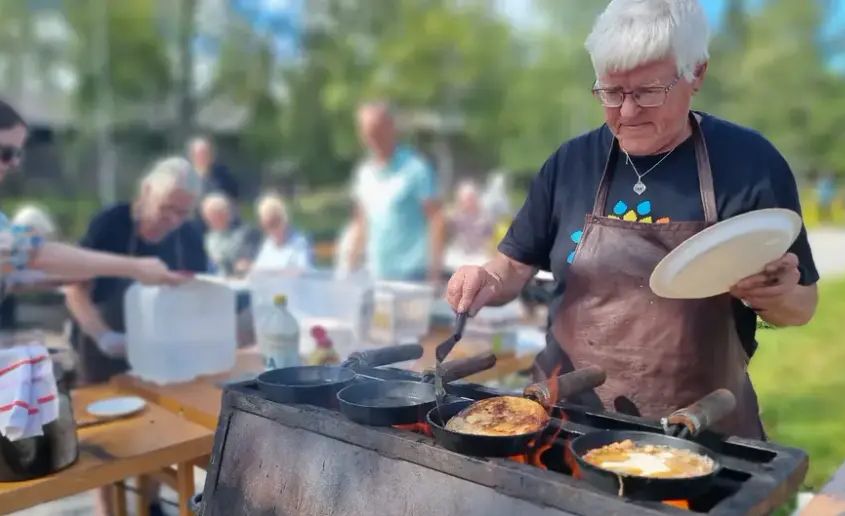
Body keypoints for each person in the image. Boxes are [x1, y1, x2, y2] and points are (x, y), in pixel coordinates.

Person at [446, 0, 819, 446]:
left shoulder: (750, 165)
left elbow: (802, 306)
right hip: (563, 427)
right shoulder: (570, 164)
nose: (625, 112)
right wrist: (484, 278)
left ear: (696, 73)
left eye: (647, 92)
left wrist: (774, 297)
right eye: (610, 92)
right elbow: (512, 267)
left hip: (697, 436)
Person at [0, 92, 186, 516]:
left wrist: (66, 275)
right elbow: (19, 251)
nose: (13, 163)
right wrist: (133, 267)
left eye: (19, 153)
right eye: (5, 151)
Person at [62, 156, 209, 516]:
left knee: (156, 428)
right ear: (146, 193)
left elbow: (200, 293)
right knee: (105, 435)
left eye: (183, 211)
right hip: (101, 341)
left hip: (157, 348)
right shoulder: (110, 223)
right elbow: (76, 291)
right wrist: (103, 334)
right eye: (167, 208)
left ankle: (148, 508)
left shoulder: (188, 236)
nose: (173, 219)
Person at [348, 101, 444, 282]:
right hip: (376, 274)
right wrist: (350, 266)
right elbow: (360, 222)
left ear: (391, 128)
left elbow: (436, 219)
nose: (372, 137)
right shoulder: (364, 173)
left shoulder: (416, 168)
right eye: (367, 132)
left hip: (413, 274)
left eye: (377, 130)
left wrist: (435, 273)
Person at [200, 191, 262, 276]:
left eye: (215, 215)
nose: (209, 220)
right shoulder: (209, 237)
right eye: (207, 216)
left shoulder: (248, 233)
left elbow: (247, 263)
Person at [250, 193, 312, 273]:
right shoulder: (268, 244)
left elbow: (304, 272)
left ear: (283, 219)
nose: (269, 230)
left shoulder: (300, 243)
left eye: (273, 223)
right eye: (265, 225)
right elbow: (257, 271)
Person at [447, 179, 494, 256]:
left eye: (470, 199)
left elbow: (489, 239)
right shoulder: (456, 216)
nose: (468, 202)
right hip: (458, 253)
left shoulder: (484, 218)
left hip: (478, 254)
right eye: (465, 199)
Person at [188, 136, 240, 201]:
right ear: (192, 156)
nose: (203, 157)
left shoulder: (224, 178)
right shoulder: (186, 178)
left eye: (206, 154)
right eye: (199, 154)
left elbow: (234, 201)